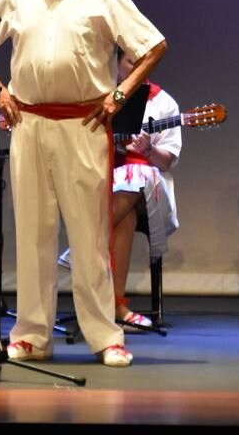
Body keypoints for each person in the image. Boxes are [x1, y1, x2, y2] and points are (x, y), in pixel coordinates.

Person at [0, 0, 168, 367]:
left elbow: (152, 46)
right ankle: (32, 335)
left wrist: (118, 95)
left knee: (90, 235)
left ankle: (105, 336)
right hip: (29, 125)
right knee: (33, 232)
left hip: (84, 126)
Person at [58, 60, 181, 331]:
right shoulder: (98, 95)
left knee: (137, 175)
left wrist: (147, 150)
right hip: (105, 186)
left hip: (149, 193)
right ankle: (116, 305)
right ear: (115, 63)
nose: (135, 64)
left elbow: (167, 162)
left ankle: (80, 247)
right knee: (124, 221)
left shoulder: (163, 103)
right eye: (129, 60)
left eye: (141, 59)